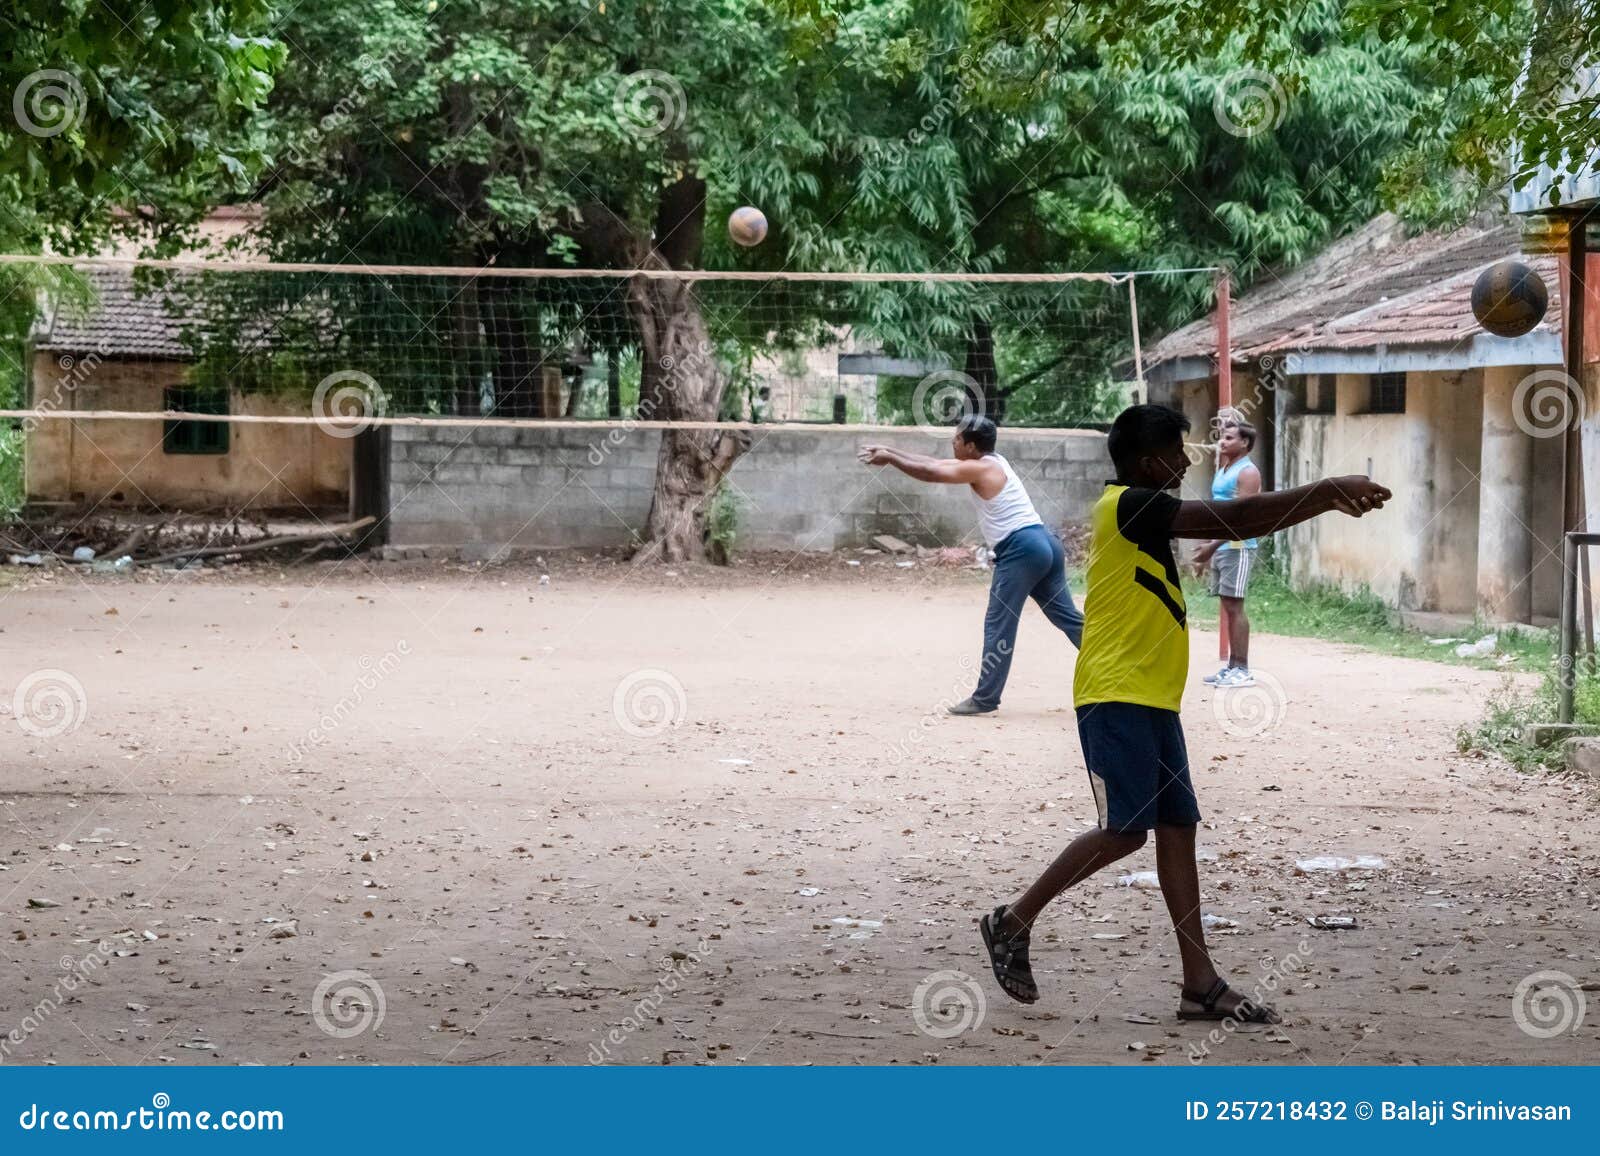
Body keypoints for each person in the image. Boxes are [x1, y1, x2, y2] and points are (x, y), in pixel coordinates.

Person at [977, 404, 1389, 1022]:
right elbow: (1238, 516)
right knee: (1124, 831)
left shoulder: (1139, 507)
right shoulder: (1130, 505)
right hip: (1116, 693)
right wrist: (1328, 491)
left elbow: (1243, 518)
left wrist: (1324, 497)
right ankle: (1012, 920)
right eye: (1177, 451)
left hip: (1150, 698)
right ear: (1149, 462)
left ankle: (1199, 984)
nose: (1185, 460)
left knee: (1176, 831)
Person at [858, 415, 1082, 715]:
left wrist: (892, 460)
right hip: (1045, 543)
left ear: (971, 446)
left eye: (957, 438)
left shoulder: (981, 468)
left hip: (1023, 548)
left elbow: (931, 472)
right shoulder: (992, 462)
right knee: (1069, 619)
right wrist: (890, 452)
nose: (953, 442)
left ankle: (985, 698)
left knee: (998, 624)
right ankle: (1122, 665)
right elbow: (933, 462)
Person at [1191, 418, 1261, 687]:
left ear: (1245, 443)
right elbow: (1219, 511)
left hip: (1237, 546)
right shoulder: (1223, 468)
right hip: (1221, 545)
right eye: (1222, 436)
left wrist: (1212, 545)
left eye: (1229, 438)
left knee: (1236, 605)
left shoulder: (1248, 473)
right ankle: (1232, 666)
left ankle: (1242, 668)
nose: (1222, 441)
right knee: (1227, 605)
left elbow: (1243, 519)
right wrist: (1209, 544)